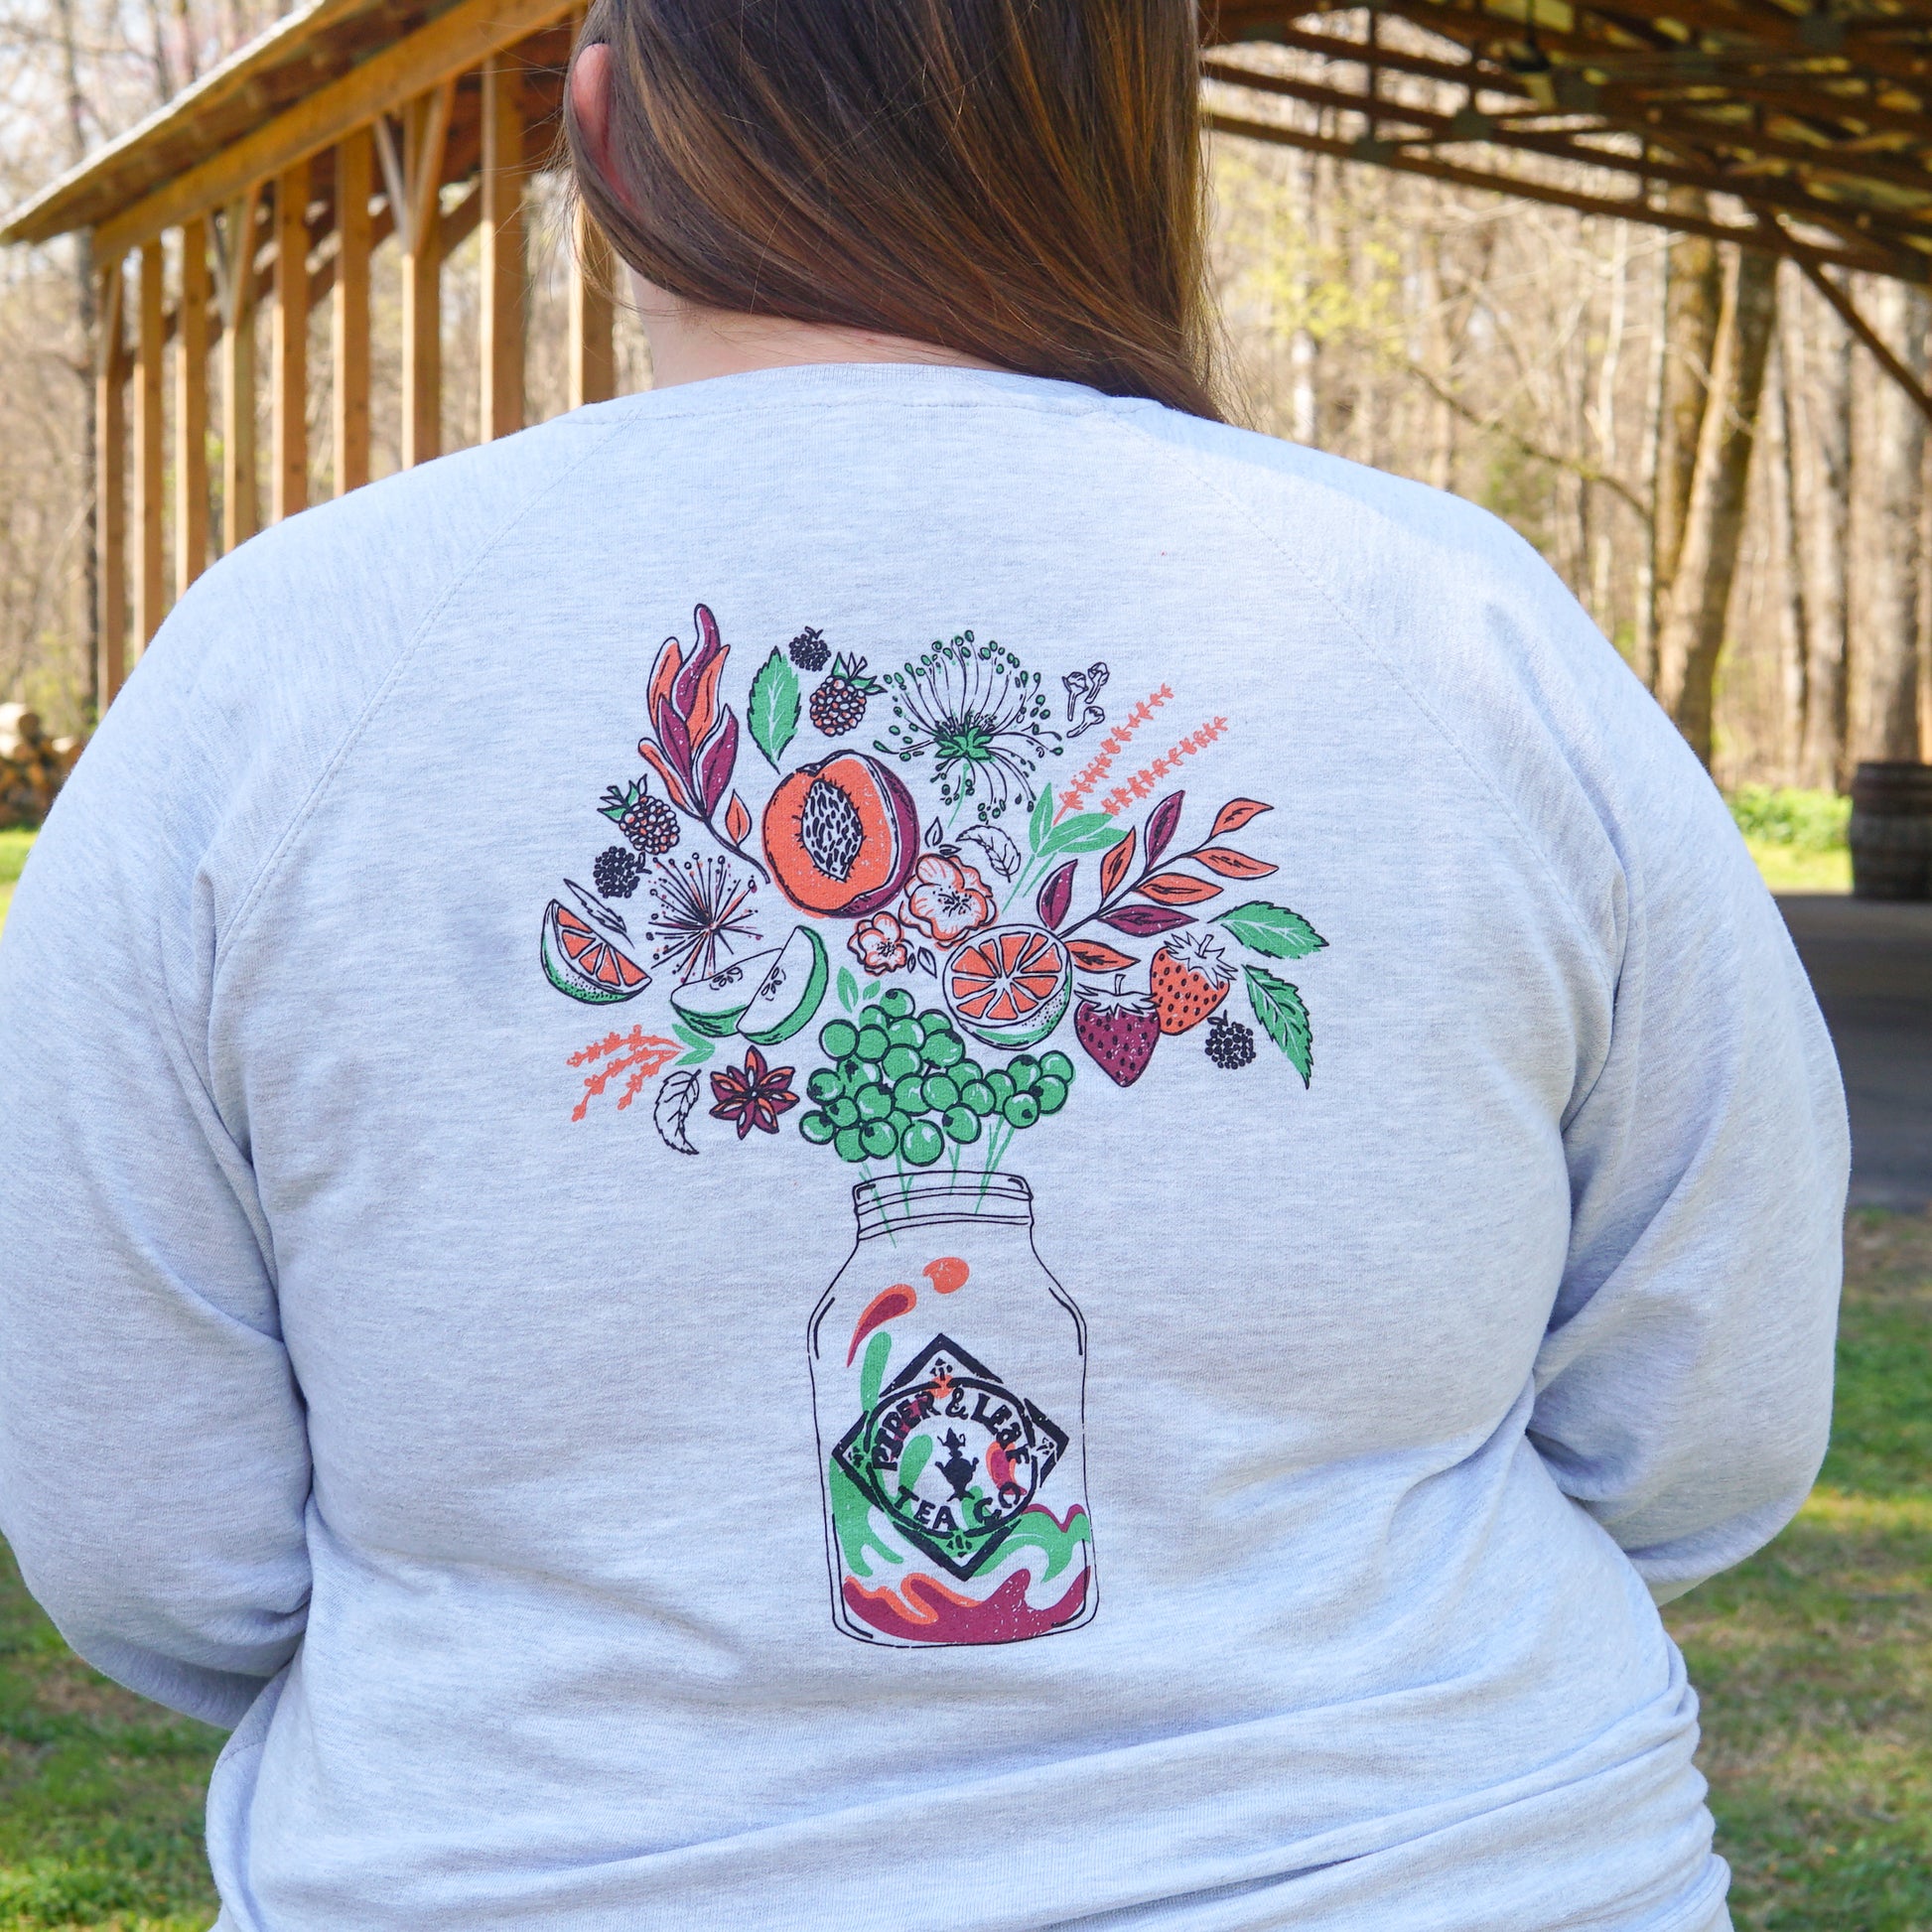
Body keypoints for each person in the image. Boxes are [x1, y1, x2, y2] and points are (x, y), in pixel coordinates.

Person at [0, 4, 1847, 1928]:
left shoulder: (278, 673)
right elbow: (1704, 1415)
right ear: (1139, 132)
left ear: (602, 125)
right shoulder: (1461, 629)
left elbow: (149, 1538)